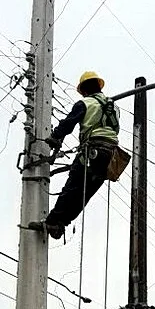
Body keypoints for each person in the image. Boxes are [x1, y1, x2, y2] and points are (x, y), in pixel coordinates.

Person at [44, 71, 119, 240]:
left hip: (92, 151)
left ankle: (54, 220)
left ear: (84, 90)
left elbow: (69, 123)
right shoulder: (114, 106)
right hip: (111, 157)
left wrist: (55, 137)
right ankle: (62, 222)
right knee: (85, 193)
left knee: (73, 186)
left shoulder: (85, 103)